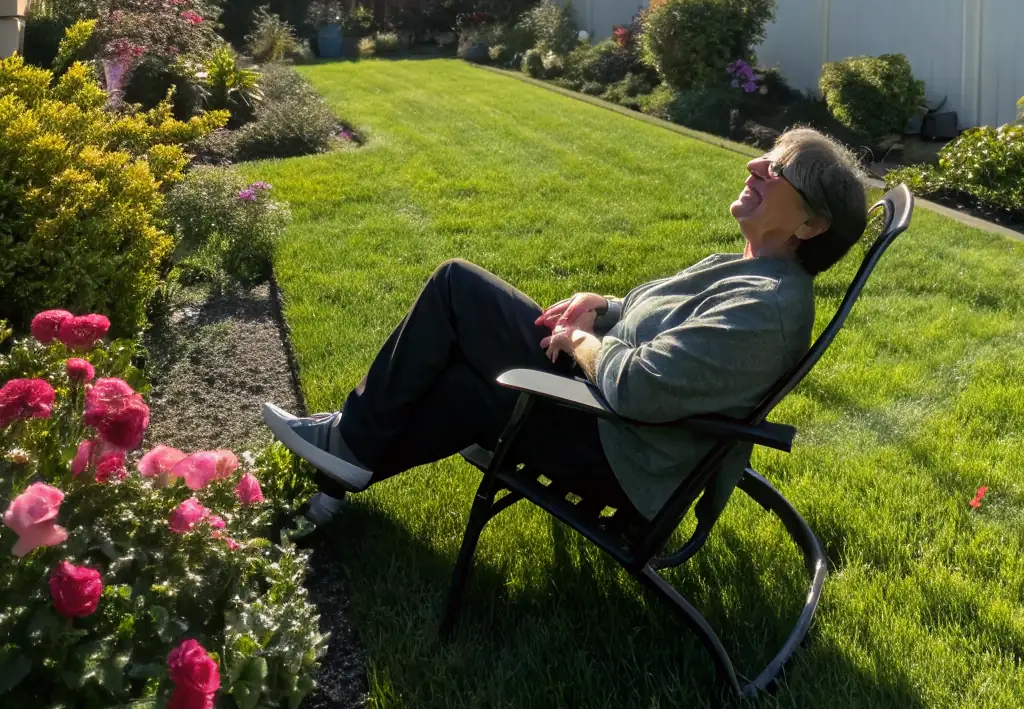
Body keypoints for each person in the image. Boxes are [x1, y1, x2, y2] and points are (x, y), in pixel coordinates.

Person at [263, 127, 868, 526]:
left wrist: (580, 340)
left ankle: (349, 439)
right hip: (602, 419)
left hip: (617, 453)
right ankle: (339, 464)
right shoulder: (749, 269)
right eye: (769, 153)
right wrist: (600, 305)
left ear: (811, 227)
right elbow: (646, 312)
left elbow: (644, 387)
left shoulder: (766, 309)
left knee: (456, 287)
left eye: (780, 169)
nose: (756, 164)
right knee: (467, 389)